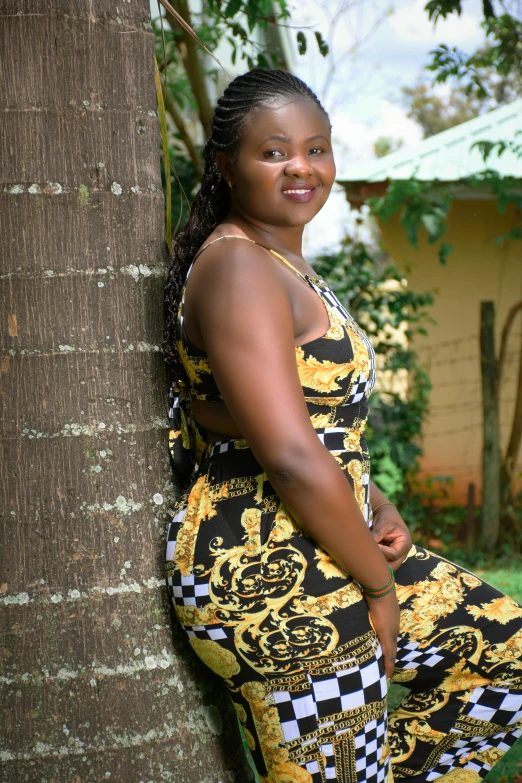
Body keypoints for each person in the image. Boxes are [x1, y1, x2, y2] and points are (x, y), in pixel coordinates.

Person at [163, 68, 522, 783]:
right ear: (227, 164)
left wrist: (375, 504)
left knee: (500, 651)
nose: (302, 166)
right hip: (271, 575)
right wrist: (379, 590)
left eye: (317, 148)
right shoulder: (239, 268)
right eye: (274, 151)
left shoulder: (280, 264)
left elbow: (312, 421)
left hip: (327, 539)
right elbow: (289, 453)